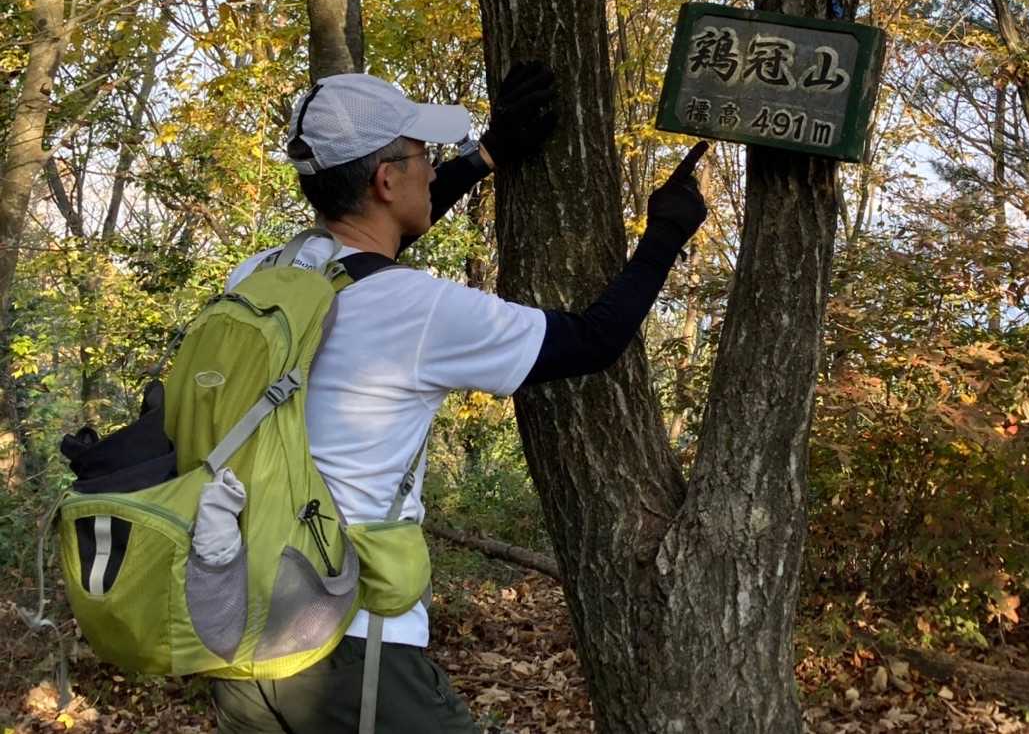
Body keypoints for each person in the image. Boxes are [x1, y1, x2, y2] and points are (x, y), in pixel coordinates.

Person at [211, 64, 709, 733]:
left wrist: (487, 156)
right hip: (351, 649)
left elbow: (364, 252)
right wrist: (665, 235)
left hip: (238, 635)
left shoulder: (260, 276)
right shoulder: (416, 309)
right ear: (386, 181)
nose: (430, 168)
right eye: (422, 156)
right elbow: (593, 341)